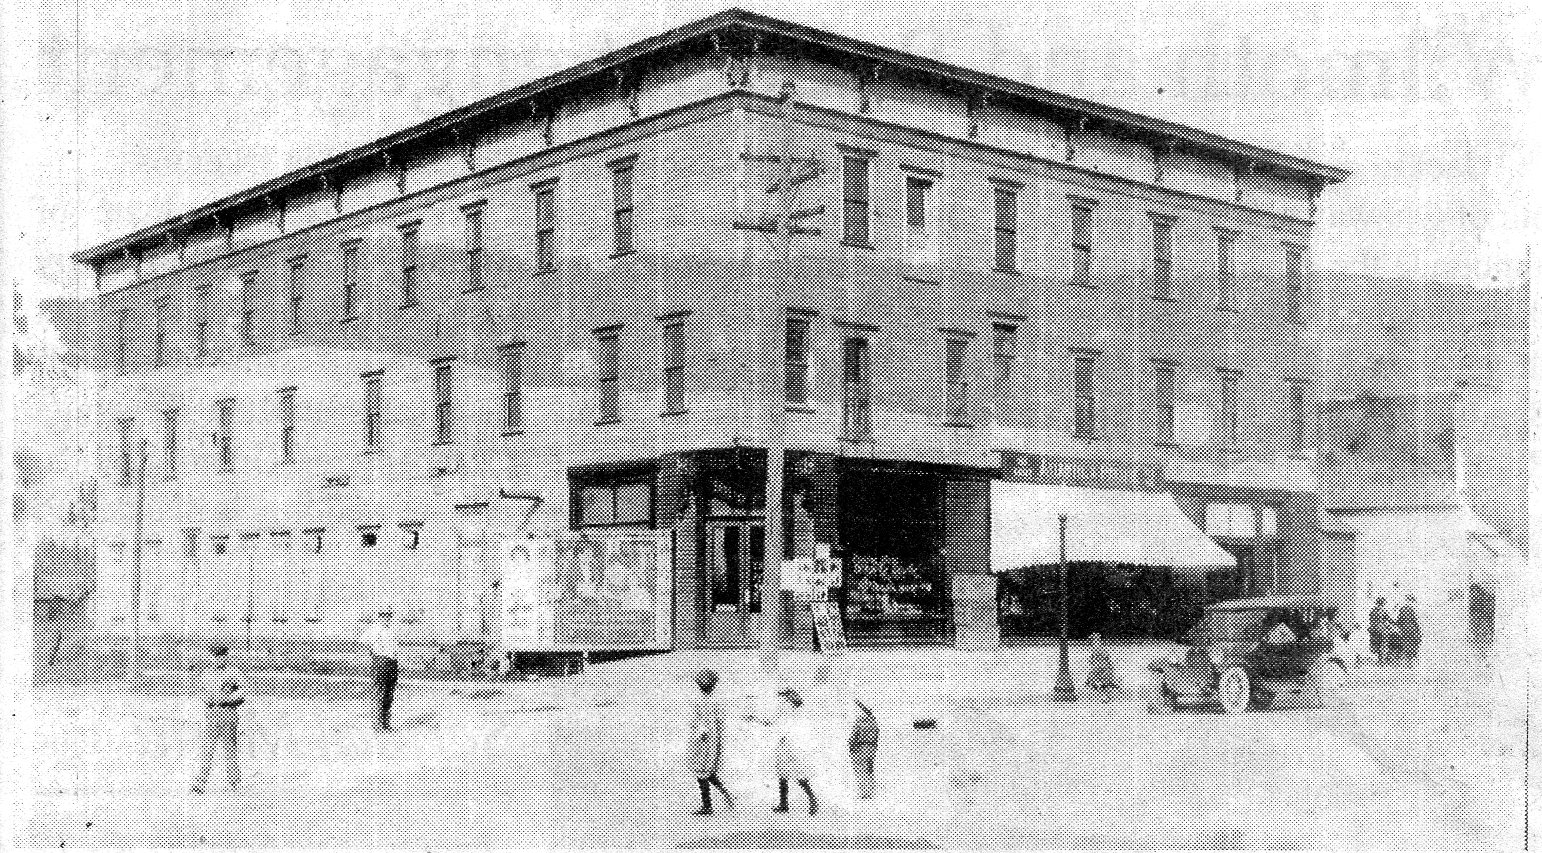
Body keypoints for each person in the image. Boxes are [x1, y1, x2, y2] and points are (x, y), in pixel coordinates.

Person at [748, 689, 818, 815]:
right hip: (785, 745)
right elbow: (770, 721)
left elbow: (779, 723)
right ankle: (784, 804)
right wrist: (755, 718)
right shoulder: (785, 710)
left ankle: (812, 801)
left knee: (798, 776)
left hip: (792, 746)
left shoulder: (795, 712)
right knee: (783, 776)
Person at [191, 644, 245, 794]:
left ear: (226, 657)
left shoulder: (234, 672)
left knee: (230, 748)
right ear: (211, 657)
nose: (219, 659)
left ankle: (234, 783)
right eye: (215, 656)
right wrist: (207, 699)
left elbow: (244, 692)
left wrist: (229, 698)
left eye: (222, 656)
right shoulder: (206, 674)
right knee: (207, 748)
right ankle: (200, 783)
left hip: (229, 712)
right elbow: (201, 692)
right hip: (212, 714)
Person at [685, 669, 734, 815]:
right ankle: (725, 795)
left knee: (703, 773)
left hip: (703, 742)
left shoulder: (703, 701)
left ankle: (708, 805)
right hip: (709, 742)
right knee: (707, 773)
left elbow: (698, 722)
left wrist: (701, 733)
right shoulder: (713, 701)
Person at [363, 610, 401, 731]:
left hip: (392, 663)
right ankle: (376, 724)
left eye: (388, 615)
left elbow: (395, 648)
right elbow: (365, 643)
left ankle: (385, 723)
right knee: (378, 693)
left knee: (389, 694)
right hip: (380, 662)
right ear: (379, 616)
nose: (386, 618)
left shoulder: (392, 630)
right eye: (383, 615)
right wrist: (375, 658)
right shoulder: (374, 629)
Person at [848, 700, 880, 800]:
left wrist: (851, 747)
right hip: (871, 748)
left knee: (860, 770)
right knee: (869, 769)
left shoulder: (860, 722)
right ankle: (870, 791)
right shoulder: (874, 722)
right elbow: (876, 736)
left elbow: (854, 737)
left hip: (860, 748)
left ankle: (864, 792)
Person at [1084, 633, 1120, 701]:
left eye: (1092, 640)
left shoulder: (1097, 648)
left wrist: (1093, 666)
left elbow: (1095, 660)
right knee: (1099, 683)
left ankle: (1109, 695)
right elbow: (1105, 658)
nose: (1090, 642)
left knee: (1103, 684)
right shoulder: (1099, 647)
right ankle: (1109, 693)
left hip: (1101, 668)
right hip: (1102, 668)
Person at [1396, 596, 1421, 667]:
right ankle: (1410, 660)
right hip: (1411, 629)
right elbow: (1415, 621)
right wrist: (1418, 630)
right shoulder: (1412, 610)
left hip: (1404, 629)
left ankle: (1405, 660)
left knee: (1405, 643)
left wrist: (1399, 627)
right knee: (1412, 643)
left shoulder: (1402, 609)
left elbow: (1399, 620)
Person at [1369, 597, 1393, 666]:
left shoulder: (1373, 610)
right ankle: (1382, 660)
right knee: (1383, 644)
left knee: (1376, 644)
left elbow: (1371, 620)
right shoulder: (1383, 611)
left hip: (1374, 630)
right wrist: (1390, 625)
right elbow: (1389, 620)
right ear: (1383, 603)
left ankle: (1379, 659)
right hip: (1382, 630)